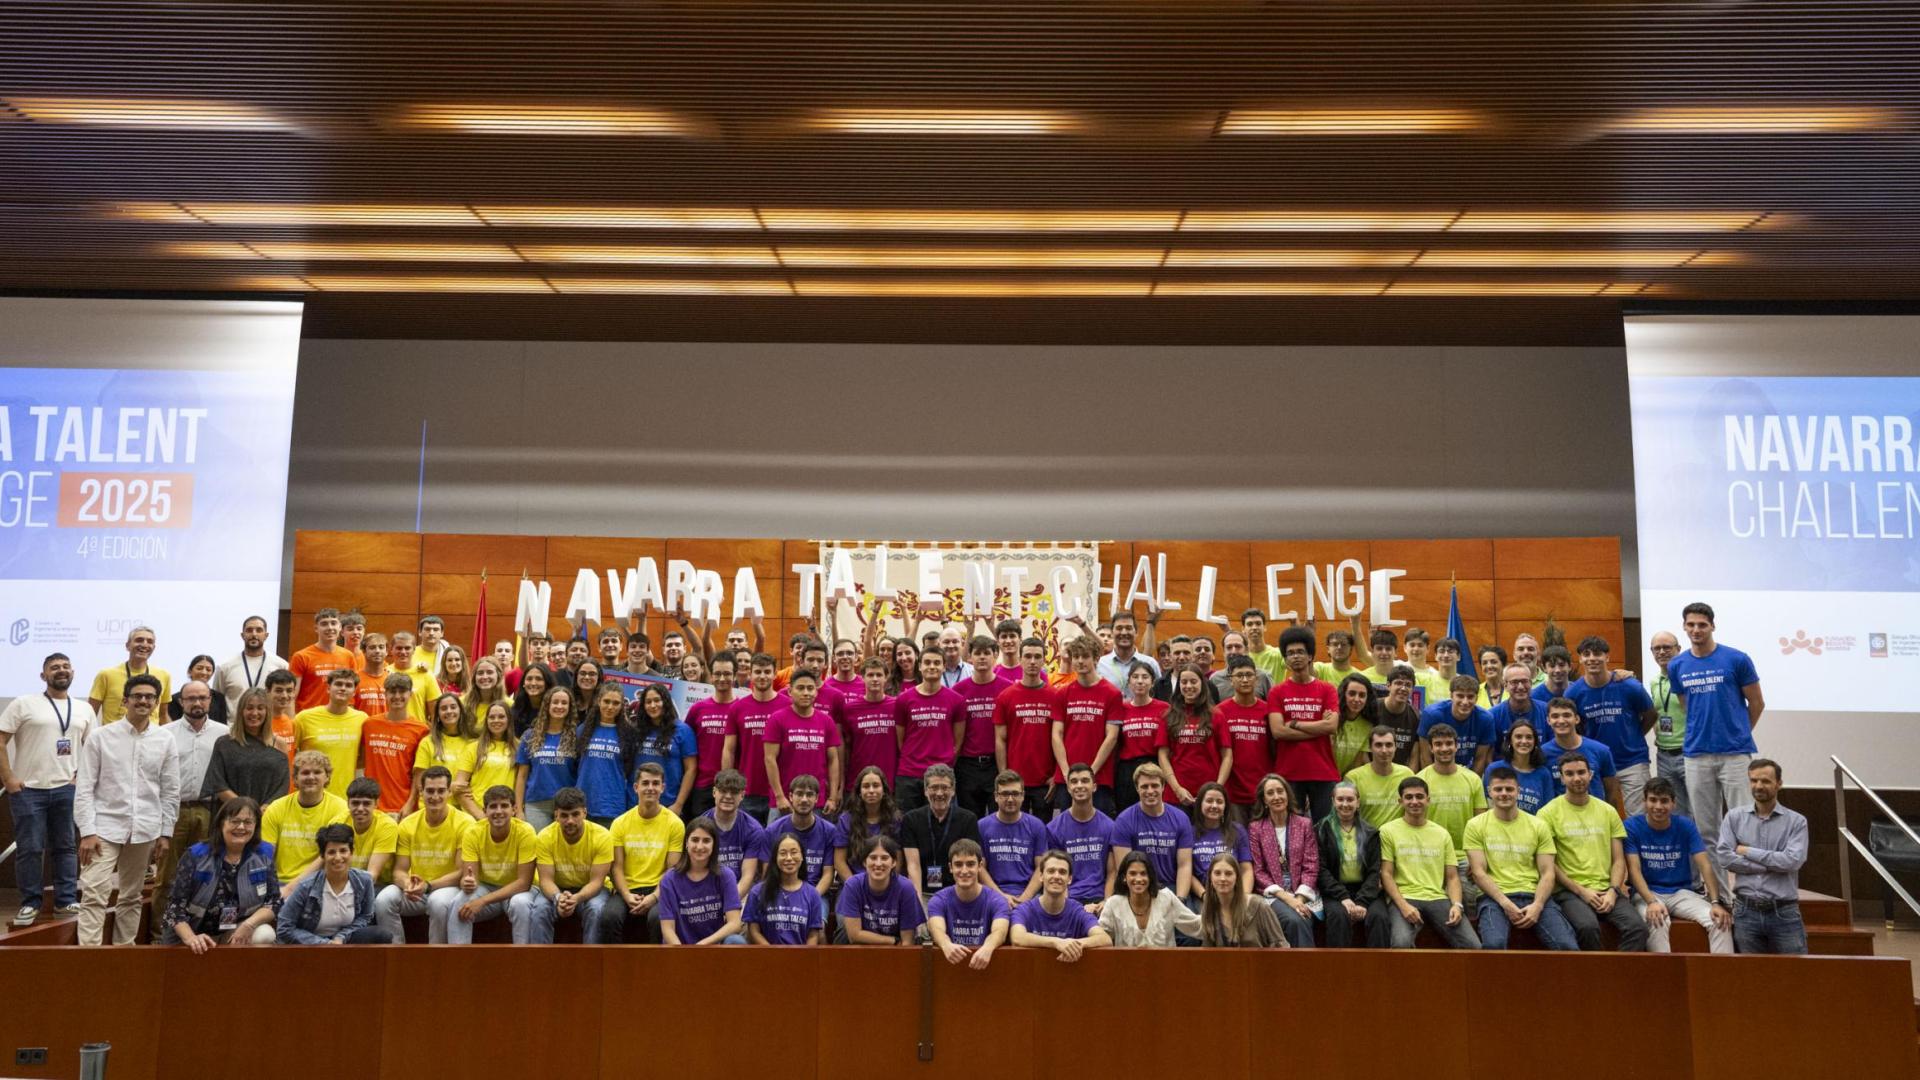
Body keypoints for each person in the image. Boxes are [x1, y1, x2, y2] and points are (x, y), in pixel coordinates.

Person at [72, 672, 179, 944]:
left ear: (156, 702)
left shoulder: (165, 740)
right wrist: (86, 831)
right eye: (137, 696)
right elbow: (84, 787)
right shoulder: (100, 737)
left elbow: (170, 790)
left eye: (149, 697)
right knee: (95, 893)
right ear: (125, 700)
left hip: (144, 830)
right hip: (103, 829)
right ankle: (90, 957)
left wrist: (165, 833)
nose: (143, 701)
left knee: (131, 896)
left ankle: (123, 953)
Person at [1670, 602, 1764, 899]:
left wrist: (1737, 732)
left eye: (1702, 625)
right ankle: (1722, 897)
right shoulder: (1678, 665)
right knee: (1707, 831)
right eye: (1691, 625)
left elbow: (1757, 703)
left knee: (1744, 827)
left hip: (1735, 755)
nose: (1696, 630)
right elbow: (1687, 706)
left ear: (1712, 626)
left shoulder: (1737, 659)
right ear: (1684, 628)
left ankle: (1750, 895)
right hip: (1696, 755)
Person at [1, 652, 97, 926]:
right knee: (30, 849)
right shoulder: (24, 703)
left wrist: (80, 778)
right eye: (54, 667)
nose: (61, 670)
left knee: (66, 847)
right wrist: (8, 778)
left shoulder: (84, 709)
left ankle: (66, 901)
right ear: (44, 675)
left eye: (66, 666)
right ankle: (30, 904)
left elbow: (92, 750)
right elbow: (1, 740)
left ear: (73, 673)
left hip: (67, 790)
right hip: (28, 789)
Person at [1539, 752, 1648, 951]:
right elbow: (1549, 865)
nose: (1577, 778)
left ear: (1590, 774)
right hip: (1569, 892)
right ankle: (1594, 978)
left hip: (1607, 889)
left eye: (1581, 772)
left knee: (1638, 928)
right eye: (1570, 774)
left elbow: (1618, 860)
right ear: (1562, 778)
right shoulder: (1547, 813)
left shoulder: (1608, 811)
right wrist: (1582, 892)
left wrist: (1613, 892)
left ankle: (1615, 977)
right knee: (1587, 927)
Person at [1465, 766, 1580, 951]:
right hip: (1494, 899)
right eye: (1498, 789)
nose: (1504, 794)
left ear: (1518, 791)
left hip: (1534, 895)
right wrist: (1506, 904)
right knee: (1493, 945)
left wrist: (1538, 905)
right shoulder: (1475, 825)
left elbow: (1548, 873)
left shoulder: (1538, 825)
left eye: (1509, 789)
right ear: (1489, 792)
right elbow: (1478, 873)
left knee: (1567, 947)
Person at [1626, 777, 1733, 954]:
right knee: (1657, 920)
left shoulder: (1685, 826)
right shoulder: (1632, 827)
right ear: (1644, 802)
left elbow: (1705, 865)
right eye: (1653, 800)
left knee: (1719, 920)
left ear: (1674, 803)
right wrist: (1651, 901)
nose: (1658, 806)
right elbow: (1634, 870)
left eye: (1664, 801)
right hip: (1648, 893)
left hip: (1681, 892)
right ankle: (1665, 979)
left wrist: (1715, 902)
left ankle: (1721, 978)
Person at [160, 795, 280, 949]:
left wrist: (249, 925)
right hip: (193, 933)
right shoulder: (196, 855)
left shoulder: (264, 853)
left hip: (237, 931)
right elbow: (174, 908)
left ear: (256, 826)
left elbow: (274, 902)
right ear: (221, 824)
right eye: (235, 821)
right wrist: (191, 938)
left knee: (265, 934)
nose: (241, 827)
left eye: (248, 822)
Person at [1716, 758, 1809, 955]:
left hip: (1783, 911)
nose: (1759, 786)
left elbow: (1792, 861)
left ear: (1779, 784)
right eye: (1754, 780)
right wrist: (1768, 865)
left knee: (1795, 975)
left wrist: (1748, 851)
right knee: (1752, 978)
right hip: (1745, 910)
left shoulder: (1796, 821)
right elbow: (1724, 857)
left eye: (1765, 781)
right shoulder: (1734, 817)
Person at [373, 765, 475, 942]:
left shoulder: (465, 823)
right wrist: (408, 884)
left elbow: (461, 872)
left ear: (449, 792)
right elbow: (399, 870)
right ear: (421, 792)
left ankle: (435, 960)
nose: (435, 797)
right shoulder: (408, 824)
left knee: (438, 902)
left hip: (447, 889)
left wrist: (427, 885)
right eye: (430, 791)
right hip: (416, 890)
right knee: (384, 899)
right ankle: (395, 956)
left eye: (441, 791)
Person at [1378, 776, 1480, 949]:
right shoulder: (1387, 831)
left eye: (1419, 796)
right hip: (1404, 897)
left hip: (1437, 898)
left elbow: (1453, 877)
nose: (1414, 801)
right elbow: (1386, 874)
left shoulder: (1442, 833)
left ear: (1428, 800)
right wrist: (1403, 907)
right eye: (1409, 797)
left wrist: (1457, 905)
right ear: (1400, 801)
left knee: (1473, 946)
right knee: (1400, 944)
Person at [1567, 636, 1657, 815]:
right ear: (1581, 659)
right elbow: (1574, 727)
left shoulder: (1629, 686)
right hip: (1596, 763)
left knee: (1638, 817)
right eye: (1587, 654)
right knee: (1603, 815)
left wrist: (1634, 735)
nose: (1592, 658)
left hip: (1632, 761)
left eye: (1598, 654)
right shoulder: (1574, 693)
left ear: (1607, 657)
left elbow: (1651, 714)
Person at [435, 783, 536, 943]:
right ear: (484, 811)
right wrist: (467, 883)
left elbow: (523, 883)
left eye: (504, 806)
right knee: (460, 901)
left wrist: (482, 901)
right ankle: (459, 960)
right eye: (493, 807)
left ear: (514, 809)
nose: (498, 811)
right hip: (487, 887)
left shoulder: (525, 831)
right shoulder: (473, 832)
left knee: (520, 904)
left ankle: (522, 961)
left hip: (516, 891)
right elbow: (470, 879)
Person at [515, 786, 615, 944]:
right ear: (556, 815)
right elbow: (546, 880)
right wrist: (558, 897)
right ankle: (541, 964)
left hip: (591, 889)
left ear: (585, 813)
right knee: (540, 910)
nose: (570, 821)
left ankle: (592, 964)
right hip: (557, 888)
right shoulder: (545, 837)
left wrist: (577, 898)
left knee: (595, 910)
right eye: (564, 815)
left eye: (575, 814)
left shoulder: (602, 836)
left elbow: (597, 882)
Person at [600, 763, 686, 944]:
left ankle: (656, 970)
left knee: (657, 919)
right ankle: (615, 969)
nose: (650, 788)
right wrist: (626, 895)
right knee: (609, 917)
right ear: (636, 787)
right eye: (645, 783)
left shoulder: (675, 824)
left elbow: (672, 870)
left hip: (660, 889)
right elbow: (616, 867)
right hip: (627, 888)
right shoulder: (620, 823)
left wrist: (654, 897)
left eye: (655, 784)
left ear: (662, 788)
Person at [276, 824, 394, 945]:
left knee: (382, 934)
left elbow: (365, 917)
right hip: (312, 943)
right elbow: (284, 928)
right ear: (323, 856)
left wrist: (341, 937)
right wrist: (325, 944)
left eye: (343, 851)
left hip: (345, 940)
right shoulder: (306, 886)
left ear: (351, 852)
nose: (338, 857)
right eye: (331, 852)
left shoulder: (364, 881)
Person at [1271, 628, 1341, 824]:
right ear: (1285, 659)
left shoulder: (1327, 689)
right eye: (1290, 653)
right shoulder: (1277, 692)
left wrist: (1295, 724)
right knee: (1292, 831)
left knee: (1326, 830)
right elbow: (1278, 731)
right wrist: (1318, 727)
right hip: (1288, 773)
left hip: (1323, 771)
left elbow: (1331, 727)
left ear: (1310, 656)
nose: (1296, 657)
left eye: (1300, 652)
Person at [1414, 724, 1488, 902]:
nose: (1444, 748)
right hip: (1429, 856)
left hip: (1465, 858)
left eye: (1449, 743)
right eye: (1438, 744)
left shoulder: (1473, 779)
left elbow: (1482, 823)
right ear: (1431, 748)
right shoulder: (1419, 780)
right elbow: (1413, 823)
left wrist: (1477, 859)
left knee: (1470, 903)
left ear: (1457, 746)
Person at [1314, 780, 1391, 948]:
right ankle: (1339, 970)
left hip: (1366, 890)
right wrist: (1343, 897)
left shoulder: (1371, 832)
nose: (1345, 804)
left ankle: (1379, 970)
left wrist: (1362, 901)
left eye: (1350, 799)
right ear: (1333, 801)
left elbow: (1374, 871)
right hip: (1334, 892)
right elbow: (1321, 870)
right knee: (1339, 916)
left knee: (1379, 917)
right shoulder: (1321, 830)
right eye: (1340, 799)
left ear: (1358, 802)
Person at [993, 637, 1064, 817]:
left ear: (1044, 660)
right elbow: (1000, 739)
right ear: (1020, 658)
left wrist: (1056, 775)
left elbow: (1061, 738)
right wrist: (1004, 776)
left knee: (1043, 833)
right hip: (1015, 782)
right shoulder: (1005, 697)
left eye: (1037, 657)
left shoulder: (1056, 696)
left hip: (1045, 781)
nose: (1032, 661)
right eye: (1028, 656)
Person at [1246, 774, 1318, 947]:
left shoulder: (1304, 824)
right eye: (1270, 793)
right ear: (1264, 800)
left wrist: (1299, 899)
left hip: (1302, 891)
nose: (1276, 797)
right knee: (1295, 920)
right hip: (1273, 893)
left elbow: (1311, 865)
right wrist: (1287, 898)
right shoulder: (1256, 828)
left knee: (1303, 917)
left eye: (1280, 791)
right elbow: (1258, 870)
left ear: (1288, 794)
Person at [260, 751, 351, 888]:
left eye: (317, 772)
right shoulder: (276, 808)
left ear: (327, 777)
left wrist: (291, 889)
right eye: (305, 773)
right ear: (295, 779)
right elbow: (265, 854)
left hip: (319, 882)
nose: (311, 777)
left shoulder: (340, 808)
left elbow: (327, 856)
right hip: (278, 882)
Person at [1052, 640, 1123, 814]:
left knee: (1099, 830)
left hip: (1099, 777)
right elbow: (1056, 735)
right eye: (1076, 657)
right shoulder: (1062, 693)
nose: (1080, 661)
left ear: (1096, 658)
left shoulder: (1112, 693)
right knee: (1066, 830)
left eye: (1085, 656)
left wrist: (1090, 773)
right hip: (1067, 777)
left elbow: (1112, 737)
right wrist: (1067, 772)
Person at [754, 773, 847, 903]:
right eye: (799, 794)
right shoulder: (772, 831)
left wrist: (810, 898)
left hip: (815, 893)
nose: (804, 799)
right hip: (779, 893)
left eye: (809, 794)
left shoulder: (829, 831)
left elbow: (828, 874)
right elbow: (767, 873)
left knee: (817, 920)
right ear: (791, 797)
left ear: (817, 798)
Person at [1111, 764, 1194, 908]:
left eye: (1155, 785)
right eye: (1144, 786)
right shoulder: (1124, 820)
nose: (1150, 791)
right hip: (1139, 887)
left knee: (1188, 930)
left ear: (1163, 787)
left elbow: (1184, 865)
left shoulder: (1181, 818)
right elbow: (1124, 869)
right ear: (1137, 788)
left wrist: (1180, 900)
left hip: (1172, 887)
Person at [893, 648, 965, 814]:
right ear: (919, 666)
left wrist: (945, 762)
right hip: (909, 774)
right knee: (908, 825)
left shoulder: (957, 700)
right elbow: (901, 740)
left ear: (944, 666)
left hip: (942, 774)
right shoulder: (904, 699)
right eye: (927, 662)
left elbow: (958, 742)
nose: (932, 666)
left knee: (943, 824)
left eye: (937, 663)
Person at [764, 670, 843, 817]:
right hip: (784, 803)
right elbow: (770, 759)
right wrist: (779, 796)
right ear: (789, 691)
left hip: (817, 802)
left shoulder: (826, 721)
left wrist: (832, 797)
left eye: (810, 688)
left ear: (816, 692)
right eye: (800, 688)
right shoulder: (776, 719)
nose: (806, 693)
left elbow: (833, 760)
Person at [1009, 850, 1112, 960]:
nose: (1057, 876)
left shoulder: (1077, 911)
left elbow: (1105, 939)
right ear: (1041, 876)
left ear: (1069, 879)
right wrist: (1056, 942)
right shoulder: (1024, 910)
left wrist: (1074, 944)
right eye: (1051, 871)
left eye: (1062, 872)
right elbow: (1017, 938)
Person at [658, 816, 746, 945]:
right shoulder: (669, 879)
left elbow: (734, 923)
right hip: (680, 950)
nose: (700, 846)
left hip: (712, 946)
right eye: (695, 840)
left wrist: (701, 946)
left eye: (706, 841)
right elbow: (667, 929)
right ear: (686, 843)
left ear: (714, 844)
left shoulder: (726, 875)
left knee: (736, 941)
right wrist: (685, 955)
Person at [952, 636, 1012, 818]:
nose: (982, 657)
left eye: (987, 653)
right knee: (970, 819)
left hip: (996, 763)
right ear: (969, 657)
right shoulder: (958, 690)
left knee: (1000, 817)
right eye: (977, 653)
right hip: (967, 765)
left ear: (995, 655)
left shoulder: (1007, 689)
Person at [927, 838, 1011, 967]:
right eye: (958, 864)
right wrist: (945, 944)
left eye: (971, 864)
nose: (964, 871)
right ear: (950, 867)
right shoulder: (938, 900)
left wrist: (988, 947)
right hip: (950, 966)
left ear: (980, 866)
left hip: (986, 967)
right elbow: (936, 929)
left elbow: (1000, 931)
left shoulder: (997, 900)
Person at [899, 764, 981, 896]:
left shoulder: (968, 819)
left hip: (957, 893)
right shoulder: (911, 819)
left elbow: (970, 863)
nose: (939, 793)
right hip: (923, 892)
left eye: (944, 788)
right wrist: (917, 903)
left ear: (953, 790)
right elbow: (913, 865)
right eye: (934, 787)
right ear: (925, 791)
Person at [202, 688, 291, 810]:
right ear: (241, 711)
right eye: (249, 708)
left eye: (260, 708)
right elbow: (217, 783)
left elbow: (283, 785)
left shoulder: (279, 744)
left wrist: (264, 809)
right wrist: (245, 809)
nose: (254, 713)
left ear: (267, 712)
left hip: (268, 815)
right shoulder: (224, 744)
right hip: (232, 814)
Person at [1213, 655, 1277, 821]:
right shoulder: (1219, 712)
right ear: (1230, 680)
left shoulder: (1268, 711)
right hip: (1233, 794)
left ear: (1256, 679)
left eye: (1249, 675)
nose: (1245, 680)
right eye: (1239, 675)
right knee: (1237, 842)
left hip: (1264, 792)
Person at [1048, 764, 1119, 912]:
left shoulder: (1110, 827)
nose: (1079, 786)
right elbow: (1056, 872)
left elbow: (1112, 872)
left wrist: (1107, 902)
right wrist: (1071, 907)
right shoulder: (1054, 828)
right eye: (1074, 781)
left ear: (1094, 786)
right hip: (1067, 898)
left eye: (1085, 781)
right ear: (1068, 788)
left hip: (1100, 899)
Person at [723, 653, 784, 821]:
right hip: (746, 790)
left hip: (780, 791)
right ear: (750, 674)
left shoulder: (788, 705)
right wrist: (727, 784)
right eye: (757, 672)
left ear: (775, 673)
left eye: (767, 671)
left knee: (777, 845)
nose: (762, 676)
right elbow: (729, 750)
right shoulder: (737, 708)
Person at [1097, 848, 1200, 947]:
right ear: (1124, 877)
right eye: (1133, 873)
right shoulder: (1113, 903)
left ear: (1150, 876)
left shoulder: (1166, 898)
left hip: (1165, 964)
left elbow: (1194, 925)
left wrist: (1215, 917)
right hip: (1126, 964)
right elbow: (1100, 937)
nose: (1138, 879)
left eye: (1143, 873)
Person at [1160, 665, 1229, 810]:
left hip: (1209, 793)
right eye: (1184, 682)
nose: (1188, 686)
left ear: (1202, 684)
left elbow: (1227, 756)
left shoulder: (1216, 715)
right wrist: (1177, 789)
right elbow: (1163, 755)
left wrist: (1216, 789)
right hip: (1176, 793)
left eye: (1193, 681)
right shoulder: (1169, 715)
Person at [835, 835, 926, 944]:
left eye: (884, 858)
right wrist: (892, 941)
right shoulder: (853, 885)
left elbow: (907, 942)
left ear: (894, 862)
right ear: (864, 862)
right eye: (873, 857)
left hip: (895, 953)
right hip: (861, 949)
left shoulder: (906, 888)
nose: (878, 864)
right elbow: (854, 935)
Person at [293, 667, 368, 799]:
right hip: (311, 796)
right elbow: (289, 755)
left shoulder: (362, 719)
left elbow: (363, 759)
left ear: (354, 692)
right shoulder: (304, 718)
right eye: (338, 684)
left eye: (348, 685)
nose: (343, 688)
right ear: (328, 688)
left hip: (346, 797)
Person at [684, 652, 743, 820]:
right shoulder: (697, 709)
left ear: (734, 676)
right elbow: (687, 747)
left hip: (733, 786)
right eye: (717, 673)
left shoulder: (742, 708)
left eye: (727, 674)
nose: (722, 678)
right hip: (702, 785)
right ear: (710, 676)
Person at [979, 769, 1051, 904]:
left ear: (1023, 795)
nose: (1010, 799)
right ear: (996, 796)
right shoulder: (982, 826)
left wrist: (1024, 899)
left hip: (1029, 895)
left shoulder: (1036, 826)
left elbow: (1041, 868)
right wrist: (1000, 896)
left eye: (1015, 794)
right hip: (992, 894)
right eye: (1005, 794)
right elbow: (980, 868)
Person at [741, 833, 827, 944]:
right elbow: (753, 931)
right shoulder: (757, 892)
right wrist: (773, 954)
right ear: (775, 858)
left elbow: (813, 936)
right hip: (767, 957)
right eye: (783, 853)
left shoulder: (812, 894)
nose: (789, 858)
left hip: (801, 958)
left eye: (794, 852)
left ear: (802, 857)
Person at [1540, 698, 1624, 812]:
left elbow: (1612, 791)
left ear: (1577, 719)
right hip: (1559, 818)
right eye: (1555, 716)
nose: (1561, 720)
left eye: (1567, 715)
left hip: (1595, 816)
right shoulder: (1542, 754)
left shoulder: (1601, 750)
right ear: (1548, 721)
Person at [360, 674, 426, 817]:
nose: (397, 696)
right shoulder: (369, 725)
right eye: (392, 692)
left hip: (402, 806)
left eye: (402, 691)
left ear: (410, 694)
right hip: (371, 804)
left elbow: (418, 774)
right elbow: (362, 761)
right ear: (385, 694)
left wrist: (410, 803)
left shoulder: (421, 730)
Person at [516, 685, 581, 829]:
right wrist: (519, 809)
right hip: (536, 804)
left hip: (567, 805)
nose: (559, 706)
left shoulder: (577, 737)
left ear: (570, 708)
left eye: (564, 703)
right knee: (538, 848)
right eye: (555, 702)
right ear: (547, 705)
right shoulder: (530, 736)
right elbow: (522, 775)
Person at [575, 685, 639, 827]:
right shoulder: (583, 730)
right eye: (606, 701)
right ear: (599, 701)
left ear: (622, 706)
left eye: (616, 703)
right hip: (582, 804)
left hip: (612, 806)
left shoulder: (629, 734)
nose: (610, 707)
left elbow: (631, 774)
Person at [1645, 631, 1691, 819]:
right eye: (1657, 648)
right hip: (1664, 754)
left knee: (1699, 808)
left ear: (1678, 649)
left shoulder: (1689, 677)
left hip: (1688, 752)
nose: (1662, 652)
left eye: (1667, 647)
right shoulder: (1655, 682)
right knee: (1675, 811)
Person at [1198, 853, 1290, 948]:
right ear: (1210, 877)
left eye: (1228, 873)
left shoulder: (1259, 906)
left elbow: (1281, 947)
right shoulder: (1209, 909)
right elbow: (1207, 954)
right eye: (1217, 873)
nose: (1223, 878)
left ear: (1237, 878)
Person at [1112, 663, 1170, 812]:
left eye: (1145, 677)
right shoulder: (1121, 708)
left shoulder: (1164, 708)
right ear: (1129, 682)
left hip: (1155, 765)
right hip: (1127, 770)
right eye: (1135, 677)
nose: (1140, 681)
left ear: (1152, 682)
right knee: (1127, 812)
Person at [88, 625, 171, 725]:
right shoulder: (106, 675)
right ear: (127, 645)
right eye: (139, 640)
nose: (145, 644)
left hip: (151, 737)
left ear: (153, 647)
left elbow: (163, 715)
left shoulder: (164, 676)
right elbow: (90, 714)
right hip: (114, 737)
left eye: (150, 642)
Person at [1186, 782, 1249, 909]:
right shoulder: (1189, 832)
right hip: (1203, 894)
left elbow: (1246, 869)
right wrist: (1204, 895)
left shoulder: (1237, 830)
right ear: (1200, 804)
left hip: (1234, 893)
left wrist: (1244, 896)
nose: (1214, 805)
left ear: (1225, 806)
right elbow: (1187, 871)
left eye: (1219, 802)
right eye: (1209, 801)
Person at [1415, 676, 1495, 774]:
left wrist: (1472, 783)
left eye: (1470, 697)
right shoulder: (1432, 715)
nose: (1465, 702)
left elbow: (1480, 759)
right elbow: (1425, 756)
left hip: (1467, 773)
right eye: (1460, 696)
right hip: (1436, 770)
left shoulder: (1485, 719)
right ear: (1451, 696)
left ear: (1477, 698)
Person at [706, 769, 766, 897]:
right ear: (714, 792)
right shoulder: (701, 827)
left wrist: (729, 904)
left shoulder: (753, 829)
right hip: (708, 892)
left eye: (734, 792)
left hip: (742, 892)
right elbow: (697, 873)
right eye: (723, 791)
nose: (728, 796)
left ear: (742, 796)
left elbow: (748, 876)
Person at [213, 615, 289, 717]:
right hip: (234, 729)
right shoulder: (225, 667)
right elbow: (216, 702)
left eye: (259, 630)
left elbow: (288, 700)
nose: (254, 634)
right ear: (242, 635)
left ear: (266, 635)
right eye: (249, 630)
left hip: (269, 728)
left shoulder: (281, 666)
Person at [457, 702, 519, 821]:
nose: (496, 720)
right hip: (477, 815)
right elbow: (459, 788)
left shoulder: (519, 747)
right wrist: (480, 815)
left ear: (509, 720)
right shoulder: (473, 747)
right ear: (486, 721)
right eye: (491, 717)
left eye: (501, 716)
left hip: (506, 815)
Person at [1344, 726, 1414, 828]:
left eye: (1389, 745)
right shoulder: (1354, 777)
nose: (1384, 750)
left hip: (1397, 839)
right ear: (1370, 748)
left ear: (1395, 747)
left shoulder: (1407, 774)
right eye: (1378, 745)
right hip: (1366, 839)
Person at [1482, 720, 1554, 817]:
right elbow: (1488, 806)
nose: (1524, 741)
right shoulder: (1493, 769)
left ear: (1535, 742)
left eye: (1529, 737)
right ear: (1510, 741)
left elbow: (1547, 811)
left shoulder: (1543, 773)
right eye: (1518, 737)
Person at [286, 609, 353, 713]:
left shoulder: (348, 656)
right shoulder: (301, 656)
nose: (330, 627)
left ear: (340, 627)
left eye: (333, 623)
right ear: (316, 628)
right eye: (324, 624)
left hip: (339, 718)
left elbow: (352, 694)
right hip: (310, 718)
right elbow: (291, 696)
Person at [414, 693, 475, 802]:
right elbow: (419, 783)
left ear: (461, 710)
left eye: (453, 707)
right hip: (433, 806)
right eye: (443, 708)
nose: (449, 711)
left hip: (462, 809)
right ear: (437, 715)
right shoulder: (427, 742)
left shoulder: (472, 742)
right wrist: (449, 787)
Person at [838, 766, 901, 855]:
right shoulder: (846, 820)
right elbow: (839, 862)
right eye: (866, 786)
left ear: (884, 790)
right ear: (859, 792)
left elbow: (898, 859)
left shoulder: (895, 819)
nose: (871, 790)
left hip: (887, 869)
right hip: (853, 869)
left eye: (876, 785)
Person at [345, 778, 396, 885]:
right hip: (345, 882)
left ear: (376, 803)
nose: (360, 808)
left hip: (379, 884)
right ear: (348, 803)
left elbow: (372, 876)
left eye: (366, 804)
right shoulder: (339, 822)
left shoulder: (387, 826)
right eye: (355, 803)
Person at [1330, 674, 1379, 774]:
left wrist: (1347, 782)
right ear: (1344, 694)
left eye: (1362, 695)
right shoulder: (1332, 717)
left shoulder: (1367, 725)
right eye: (1352, 694)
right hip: (1326, 776)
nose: (1357, 699)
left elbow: (1358, 761)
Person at [168, 656, 229, 726]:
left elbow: (223, 724)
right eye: (199, 668)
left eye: (208, 670)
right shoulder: (175, 699)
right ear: (189, 671)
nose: (204, 672)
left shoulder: (219, 698)